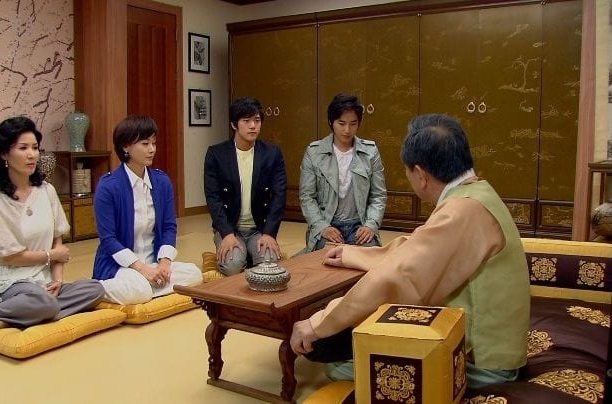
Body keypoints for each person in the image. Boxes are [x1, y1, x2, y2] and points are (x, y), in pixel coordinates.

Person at [290, 113, 530, 389]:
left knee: (336, 361)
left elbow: (398, 276)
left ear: (420, 175)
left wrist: (318, 323)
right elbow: (417, 247)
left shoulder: (461, 211)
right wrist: (354, 254)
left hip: (486, 363)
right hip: (493, 345)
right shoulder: (476, 193)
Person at [0, 117, 105, 343]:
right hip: (12, 282)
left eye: (35, 148)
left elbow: (58, 240)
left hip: (42, 281)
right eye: (23, 148)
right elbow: (12, 257)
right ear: (4, 154)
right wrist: (52, 255)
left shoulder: (47, 191)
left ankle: (19, 316)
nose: (32, 155)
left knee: (94, 289)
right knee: (43, 302)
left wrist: (58, 280)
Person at [93, 115, 202, 305]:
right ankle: (96, 289)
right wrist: (142, 269)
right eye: (145, 144)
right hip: (120, 266)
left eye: (154, 143)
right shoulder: (108, 186)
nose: (152, 149)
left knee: (194, 274)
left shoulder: (162, 181)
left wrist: (165, 263)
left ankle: (147, 288)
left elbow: (169, 227)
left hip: (154, 263)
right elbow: (108, 240)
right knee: (140, 289)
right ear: (125, 147)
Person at [204, 96, 287, 275]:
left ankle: (250, 253)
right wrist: (226, 233)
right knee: (232, 266)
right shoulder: (216, 154)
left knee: (269, 266)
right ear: (234, 124)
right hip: (230, 228)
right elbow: (213, 198)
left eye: (257, 120)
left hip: (259, 228)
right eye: (246, 121)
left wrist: (269, 233)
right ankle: (241, 253)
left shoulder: (272, 154)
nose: (253, 126)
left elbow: (279, 196)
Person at [299, 93, 387, 253]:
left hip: (359, 225)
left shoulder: (370, 152)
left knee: (369, 258)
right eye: (341, 123)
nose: (347, 130)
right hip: (328, 223)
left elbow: (378, 196)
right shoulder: (314, 152)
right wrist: (322, 227)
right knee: (328, 258)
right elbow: (307, 197)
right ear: (331, 122)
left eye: (353, 124)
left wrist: (370, 225)